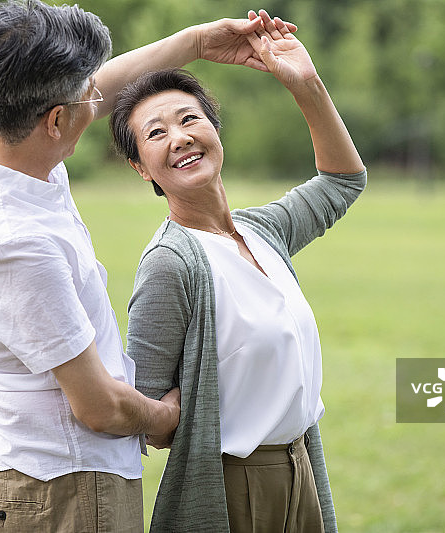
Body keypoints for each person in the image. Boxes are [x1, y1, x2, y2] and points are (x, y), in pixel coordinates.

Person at [0, 2, 295, 531]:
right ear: (55, 120)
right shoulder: (15, 245)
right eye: (86, 96)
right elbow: (100, 407)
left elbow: (101, 83)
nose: (98, 98)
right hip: (68, 490)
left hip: (44, 476)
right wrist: (169, 416)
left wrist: (198, 42)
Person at [110, 11, 366, 533]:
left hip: (301, 468)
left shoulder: (262, 231)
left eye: (189, 119)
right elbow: (147, 413)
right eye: (156, 133)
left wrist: (306, 84)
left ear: (213, 129)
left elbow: (343, 181)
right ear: (140, 167)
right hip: (234, 490)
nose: (179, 138)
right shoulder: (170, 264)